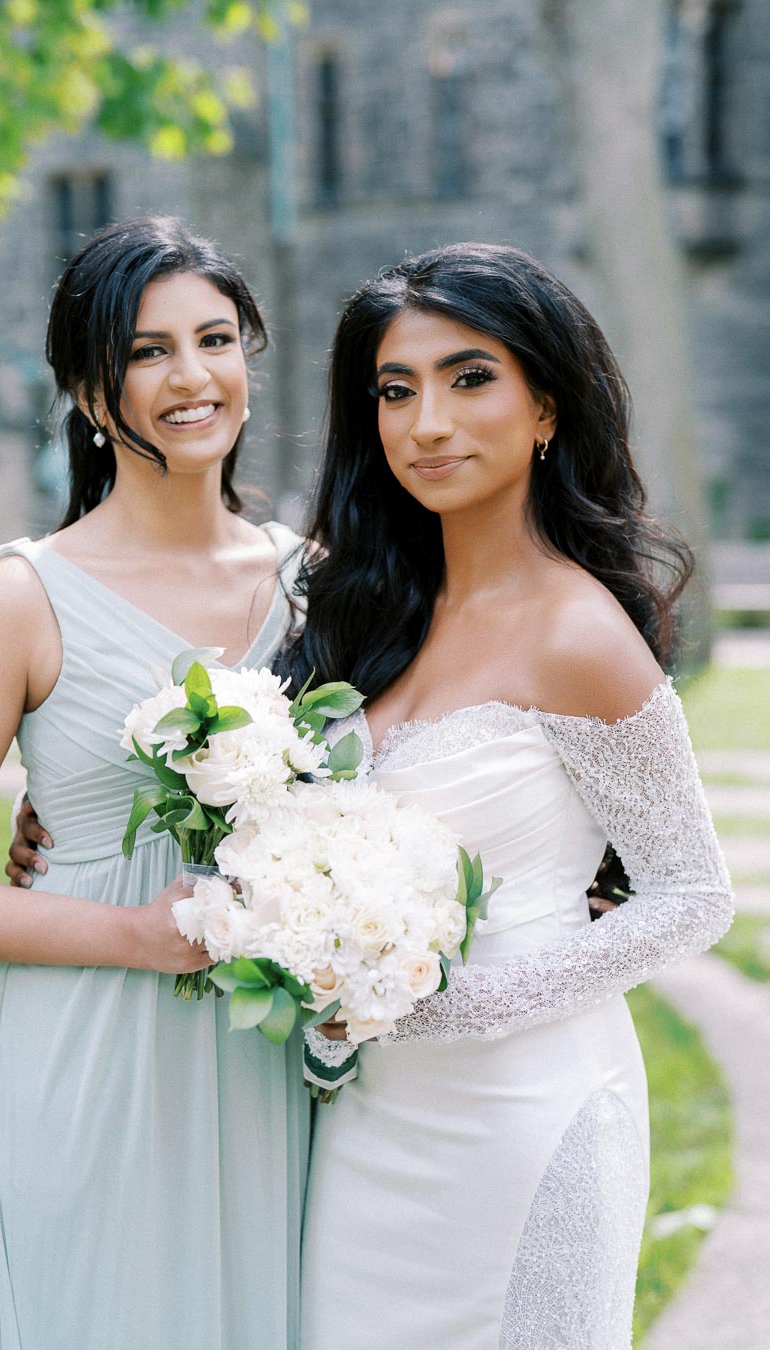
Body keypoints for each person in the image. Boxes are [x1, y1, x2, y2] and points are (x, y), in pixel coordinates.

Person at [0, 217, 311, 1350]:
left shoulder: (313, 582)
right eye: (147, 351)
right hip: (94, 1043)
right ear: (85, 389)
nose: (191, 376)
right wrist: (132, 932)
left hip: (276, 1055)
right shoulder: (26, 595)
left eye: (214, 339)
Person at [284, 243, 734, 1349]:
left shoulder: (580, 633)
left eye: (470, 378)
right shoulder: (371, 617)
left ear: (546, 407)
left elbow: (692, 895)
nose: (427, 423)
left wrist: (453, 1006)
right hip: (372, 1123)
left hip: (527, 1114)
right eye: (396, 390)